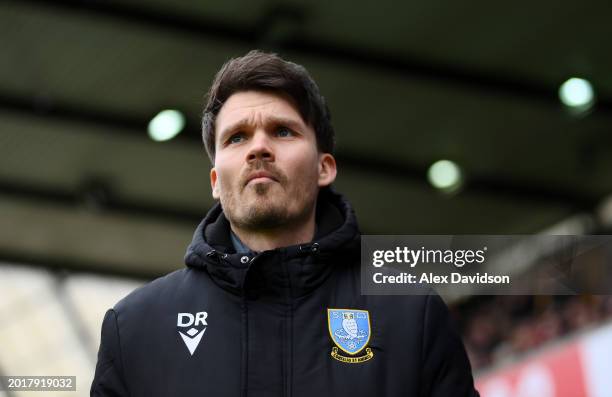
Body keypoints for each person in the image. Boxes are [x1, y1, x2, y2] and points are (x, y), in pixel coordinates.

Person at [91, 50, 480, 397]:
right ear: (215, 182)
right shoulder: (135, 330)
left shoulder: (412, 314)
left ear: (323, 167)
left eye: (282, 131)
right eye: (237, 138)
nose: (259, 147)